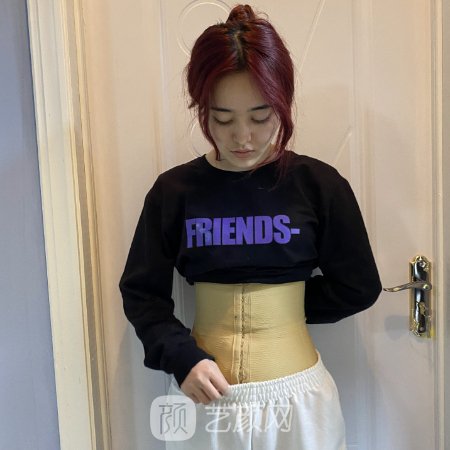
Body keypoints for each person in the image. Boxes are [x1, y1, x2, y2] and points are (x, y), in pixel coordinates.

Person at [119, 4, 382, 449]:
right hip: (203, 400)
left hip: (299, 399)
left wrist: (282, 311)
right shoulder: (174, 191)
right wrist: (180, 357)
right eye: (222, 118)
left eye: (261, 117)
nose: (242, 137)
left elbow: (358, 286)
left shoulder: (318, 185)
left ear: (283, 103)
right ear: (201, 108)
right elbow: (142, 293)